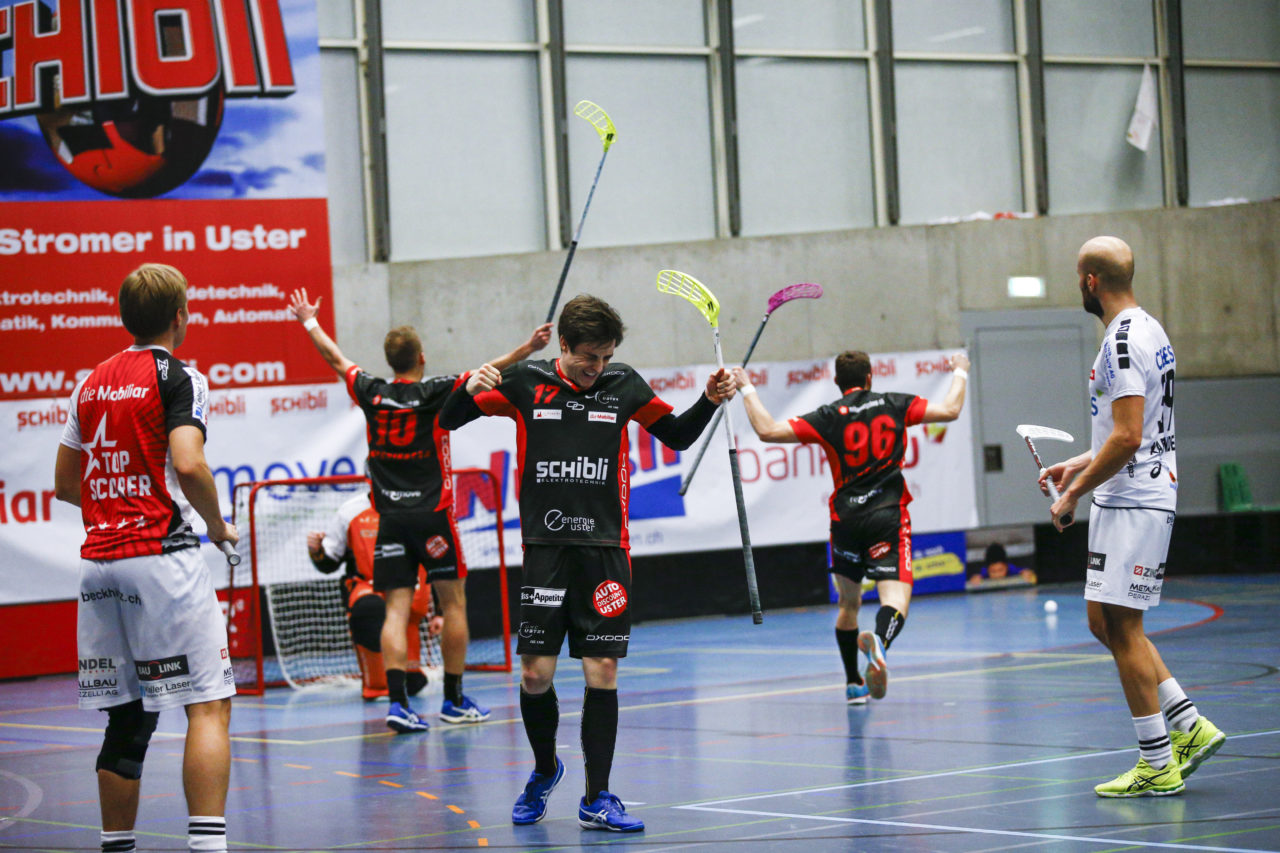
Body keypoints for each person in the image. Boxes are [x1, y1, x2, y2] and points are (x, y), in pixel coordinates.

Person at [439, 294, 735, 833]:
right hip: (545, 549)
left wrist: (709, 399)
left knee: (602, 669)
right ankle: (544, 769)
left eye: (605, 357)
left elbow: (677, 434)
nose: (597, 367)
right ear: (564, 345)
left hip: (605, 551)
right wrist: (468, 388)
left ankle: (598, 796)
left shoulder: (624, 385)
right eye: (587, 357)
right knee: (536, 674)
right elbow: (448, 419)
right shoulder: (525, 382)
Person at [288, 287, 551, 733]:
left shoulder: (370, 391)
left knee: (394, 610)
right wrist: (528, 347)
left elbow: (336, 359)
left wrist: (309, 320)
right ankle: (453, 699)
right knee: (454, 604)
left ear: (390, 361)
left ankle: (398, 704)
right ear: (421, 357)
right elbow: (490, 370)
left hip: (389, 519)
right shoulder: (435, 391)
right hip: (434, 516)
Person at [54, 263, 237, 853]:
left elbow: (66, 484)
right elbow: (188, 462)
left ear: (125, 317)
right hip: (160, 557)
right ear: (180, 316)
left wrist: (116, 504)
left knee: (128, 718)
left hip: (99, 566)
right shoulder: (181, 377)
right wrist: (217, 526)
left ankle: (116, 845)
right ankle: (208, 847)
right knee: (207, 704)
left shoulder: (90, 383)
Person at [1042, 236, 1225, 797]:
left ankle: (1157, 761)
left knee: (1123, 628)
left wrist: (1072, 494)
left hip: (1133, 500)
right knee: (1103, 622)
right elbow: (1130, 432)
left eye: (1078, 277)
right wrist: (1078, 464)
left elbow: (1126, 438)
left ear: (1090, 281)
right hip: (1132, 493)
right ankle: (1189, 726)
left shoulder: (1121, 342)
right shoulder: (1149, 328)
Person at [731, 350, 969, 705]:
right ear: (870, 377)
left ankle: (853, 684)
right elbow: (950, 410)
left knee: (848, 604)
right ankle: (880, 643)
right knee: (895, 598)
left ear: (837, 383)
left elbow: (767, 431)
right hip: (887, 517)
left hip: (845, 522)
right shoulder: (895, 404)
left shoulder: (829, 416)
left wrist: (746, 387)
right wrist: (960, 371)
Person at [306, 491, 444, 700]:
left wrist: (441, 612)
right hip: (368, 587)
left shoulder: (421, 506)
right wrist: (317, 552)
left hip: (410, 589)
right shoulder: (351, 511)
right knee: (369, 608)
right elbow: (329, 563)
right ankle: (378, 684)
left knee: (412, 682)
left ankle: (408, 670)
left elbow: (438, 560)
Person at [967, 542, 1037, 587]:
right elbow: (976, 577)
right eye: (993, 571)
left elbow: (1024, 571)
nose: (997, 575)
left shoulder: (1011, 569)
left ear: (1006, 567)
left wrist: (1026, 572)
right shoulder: (984, 572)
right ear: (987, 569)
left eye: (1000, 570)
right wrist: (975, 578)